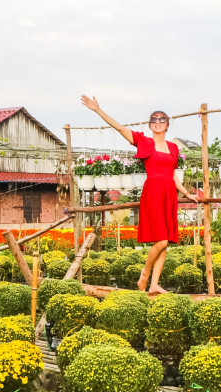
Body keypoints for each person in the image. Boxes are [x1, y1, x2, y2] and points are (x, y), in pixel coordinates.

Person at [81, 95, 198, 293]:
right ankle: (144, 274)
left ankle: (154, 285)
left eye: (162, 120)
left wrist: (187, 193)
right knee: (160, 240)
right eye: (154, 120)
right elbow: (119, 128)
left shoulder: (173, 147)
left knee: (165, 242)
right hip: (153, 193)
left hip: (168, 194)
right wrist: (98, 110)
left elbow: (172, 175)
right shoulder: (144, 142)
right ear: (150, 125)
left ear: (167, 125)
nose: (158, 122)